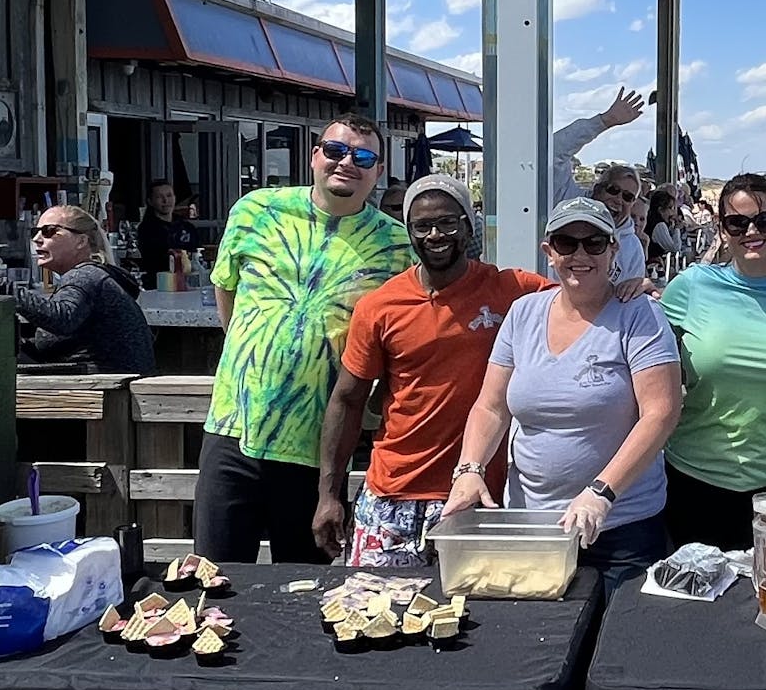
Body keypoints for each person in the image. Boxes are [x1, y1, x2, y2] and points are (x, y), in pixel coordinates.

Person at [194, 113, 413, 564]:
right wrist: (251, 351)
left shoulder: (397, 246)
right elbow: (226, 286)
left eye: (363, 156)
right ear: (315, 156)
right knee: (214, 581)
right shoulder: (256, 210)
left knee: (302, 592)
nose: (346, 162)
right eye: (335, 150)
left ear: (377, 171)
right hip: (234, 428)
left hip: (319, 447)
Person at [444, 197, 681, 595]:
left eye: (594, 243)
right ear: (549, 251)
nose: (580, 254)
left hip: (620, 529)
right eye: (567, 242)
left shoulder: (639, 314)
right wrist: (469, 470)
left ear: (613, 248)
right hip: (534, 528)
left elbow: (661, 412)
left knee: (616, 650)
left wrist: (601, 493)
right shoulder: (523, 313)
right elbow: (491, 406)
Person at [312, 175, 553, 566]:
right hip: (393, 493)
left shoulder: (511, 289)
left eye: (447, 222)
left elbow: (580, 298)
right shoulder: (380, 306)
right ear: (408, 231)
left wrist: (628, 289)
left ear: (467, 226)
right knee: (373, 612)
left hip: (476, 495)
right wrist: (328, 495)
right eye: (422, 226)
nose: (435, 234)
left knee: (474, 621)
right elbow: (347, 399)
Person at [660, 173, 766, 551]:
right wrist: (628, 294)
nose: (752, 231)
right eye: (738, 223)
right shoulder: (692, 286)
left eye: (764, 220)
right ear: (722, 229)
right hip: (692, 477)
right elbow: (640, 347)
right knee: (693, 604)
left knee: (763, 596)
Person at [0, 205, 153, 374]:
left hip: (106, 389)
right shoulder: (95, 275)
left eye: (49, 231)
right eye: (35, 231)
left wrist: (5, 289)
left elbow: (61, 318)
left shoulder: (86, 275)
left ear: (81, 241)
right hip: (108, 383)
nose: (37, 238)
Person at [553, 87, 646, 286]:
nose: (619, 199)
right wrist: (605, 121)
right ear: (597, 188)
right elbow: (553, 153)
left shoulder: (631, 247)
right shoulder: (567, 200)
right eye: (613, 190)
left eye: (628, 197)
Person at [136, 180, 198, 289]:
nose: (166, 201)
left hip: (188, 283)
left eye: (169, 195)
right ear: (150, 201)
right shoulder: (146, 229)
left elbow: (196, 253)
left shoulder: (186, 226)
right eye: (160, 197)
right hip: (159, 284)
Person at [645, 188, 683, 270]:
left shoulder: (656, 222)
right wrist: (677, 228)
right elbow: (674, 248)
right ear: (661, 210)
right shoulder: (659, 226)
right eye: (670, 208)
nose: (672, 212)